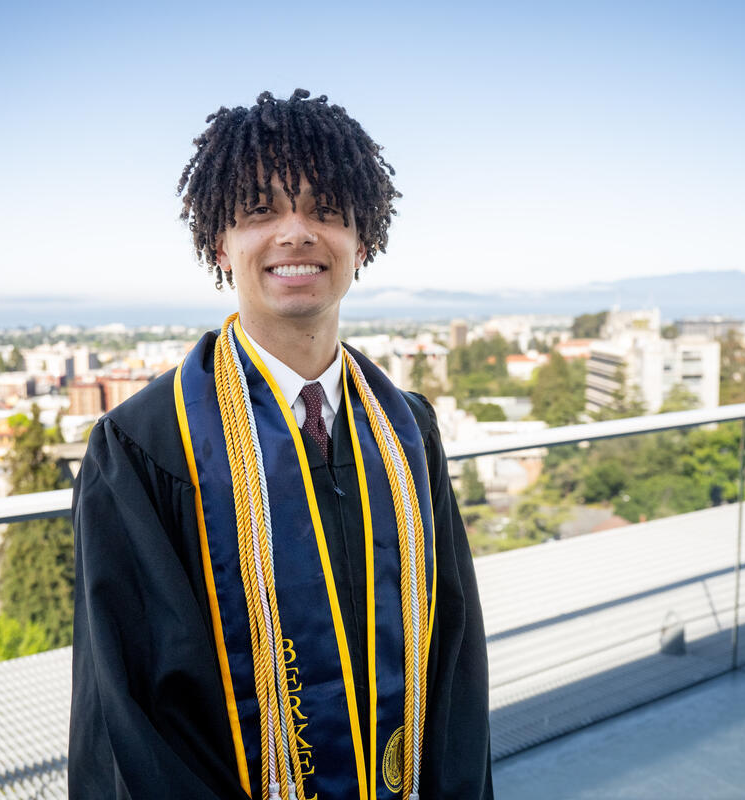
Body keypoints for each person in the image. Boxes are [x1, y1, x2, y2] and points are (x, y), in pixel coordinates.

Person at [69, 89, 492, 800]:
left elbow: (453, 663)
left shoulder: (406, 431)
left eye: (325, 209)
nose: (295, 233)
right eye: (261, 210)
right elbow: (132, 715)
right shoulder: (145, 448)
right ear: (218, 244)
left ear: (365, 239)